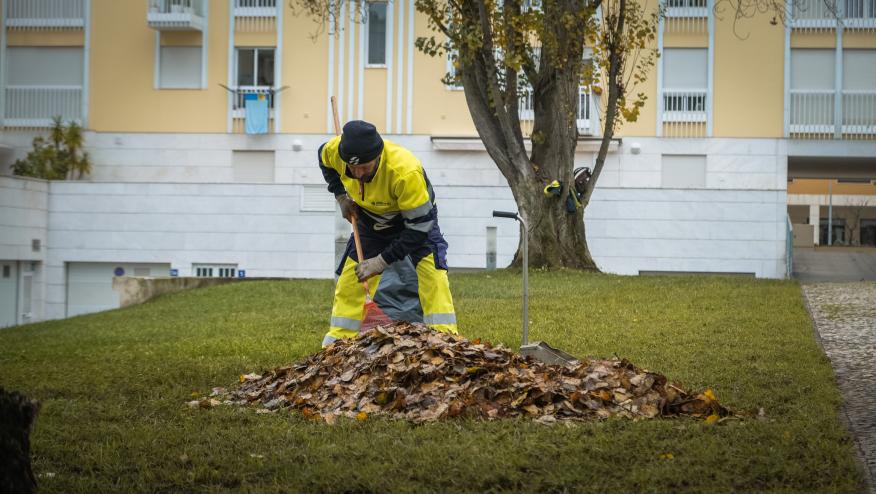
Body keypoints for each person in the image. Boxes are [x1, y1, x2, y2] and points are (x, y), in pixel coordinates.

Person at [318, 120, 458, 347]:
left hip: (413, 222)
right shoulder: (336, 152)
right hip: (370, 221)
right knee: (350, 281)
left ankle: (444, 343)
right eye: (353, 168)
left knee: (433, 278)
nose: (358, 173)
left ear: (379, 156)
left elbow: (418, 230)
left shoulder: (404, 171)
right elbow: (323, 161)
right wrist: (341, 197)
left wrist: (381, 262)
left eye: (365, 166)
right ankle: (337, 347)